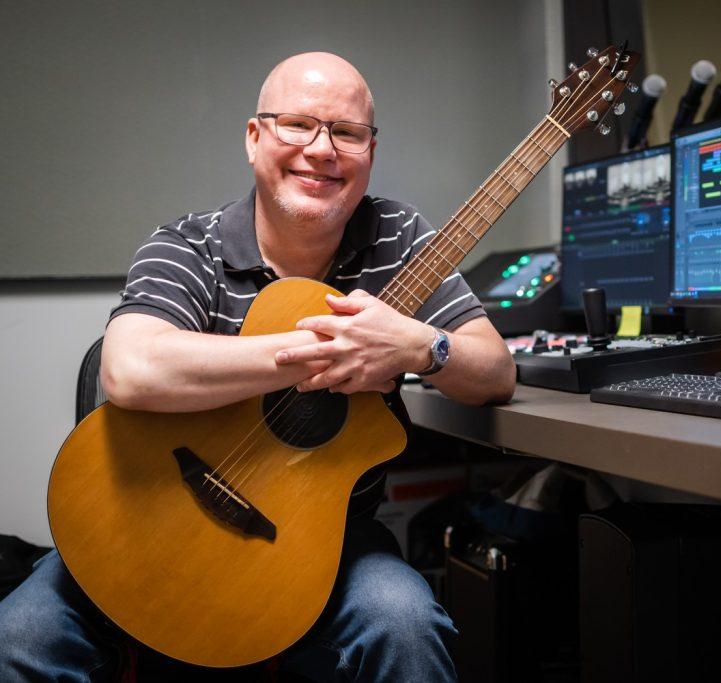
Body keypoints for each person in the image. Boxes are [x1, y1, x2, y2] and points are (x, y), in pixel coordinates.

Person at [0, 51, 516, 682]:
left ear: (369, 154)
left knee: (407, 626)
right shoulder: (190, 246)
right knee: (18, 637)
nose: (322, 150)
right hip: (147, 514)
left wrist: (418, 347)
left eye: (347, 133)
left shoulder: (400, 241)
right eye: (298, 125)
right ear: (254, 138)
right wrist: (321, 352)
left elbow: (495, 373)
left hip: (322, 547)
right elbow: (131, 370)